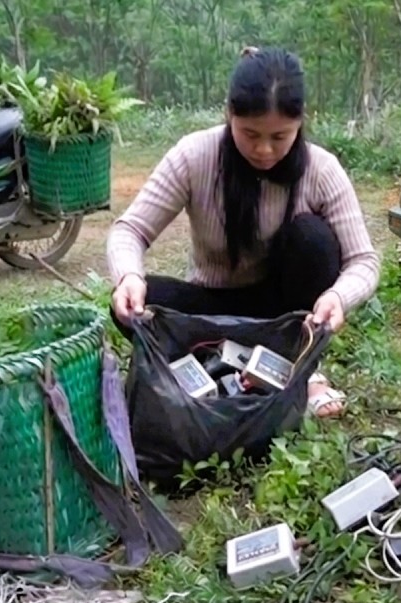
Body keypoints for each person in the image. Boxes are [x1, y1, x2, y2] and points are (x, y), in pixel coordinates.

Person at [104, 46, 381, 418]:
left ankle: (303, 371)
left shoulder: (321, 169)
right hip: (210, 308)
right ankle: (222, 369)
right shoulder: (194, 156)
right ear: (229, 113)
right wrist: (129, 277)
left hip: (284, 317)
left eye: (280, 137)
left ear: (300, 123)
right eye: (249, 133)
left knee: (312, 238)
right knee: (137, 304)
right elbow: (130, 230)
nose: (264, 150)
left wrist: (338, 296)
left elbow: (363, 261)